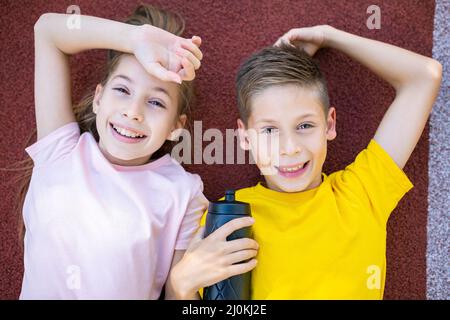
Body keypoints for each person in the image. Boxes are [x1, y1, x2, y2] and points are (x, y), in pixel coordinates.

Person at [170, 25, 442, 299]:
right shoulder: (230, 218)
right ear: (245, 138)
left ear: (330, 124)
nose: (290, 148)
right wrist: (181, 286)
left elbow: (424, 76)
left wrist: (329, 36)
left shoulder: (363, 192)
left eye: (305, 126)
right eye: (269, 130)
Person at [18, 4, 214, 299]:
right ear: (98, 99)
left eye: (156, 103)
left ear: (176, 126)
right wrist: (135, 39)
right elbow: (47, 31)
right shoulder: (60, 151)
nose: (133, 112)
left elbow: (180, 297)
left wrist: (185, 285)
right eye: (122, 90)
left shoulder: (182, 191)